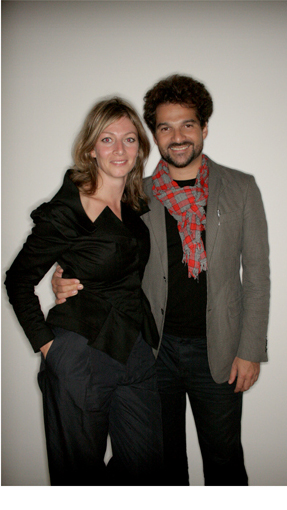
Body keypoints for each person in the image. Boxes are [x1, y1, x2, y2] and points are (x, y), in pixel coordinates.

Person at [54, 74, 270, 485]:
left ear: (204, 128)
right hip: (153, 350)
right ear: (154, 135)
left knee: (224, 462)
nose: (178, 137)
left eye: (187, 124)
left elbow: (258, 275)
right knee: (164, 466)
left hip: (220, 350)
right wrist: (65, 277)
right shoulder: (137, 193)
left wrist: (250, 349)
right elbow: (104, 254)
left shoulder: (241, 188)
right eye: (166, 128)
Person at [4, 97, 163, 485]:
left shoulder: (134, 205)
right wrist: (49, 348)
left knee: (147, 470)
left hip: (135, 351)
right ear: (91, 148)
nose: (119, 149)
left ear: (140, 148)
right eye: (107, 139)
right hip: (81, 353)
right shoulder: (68, 209)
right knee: (78, 479)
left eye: (129, 139)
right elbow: (18, 280)